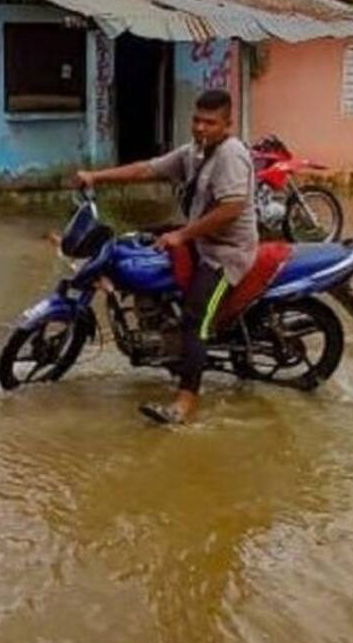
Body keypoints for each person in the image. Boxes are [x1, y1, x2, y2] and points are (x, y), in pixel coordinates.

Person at [76, 89, 257, 426]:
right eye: (197, 120)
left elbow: (231, 209)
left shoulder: (231, 155)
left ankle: (184, 404)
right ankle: (158, 326)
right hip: (200, 239)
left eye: (210, 122)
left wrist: (182, 235)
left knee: (194, 317)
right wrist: (96, 177)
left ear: (228, 125)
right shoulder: (196, 152)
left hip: (226, 253)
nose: (201, 127)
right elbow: (148, 169)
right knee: (136, 243)